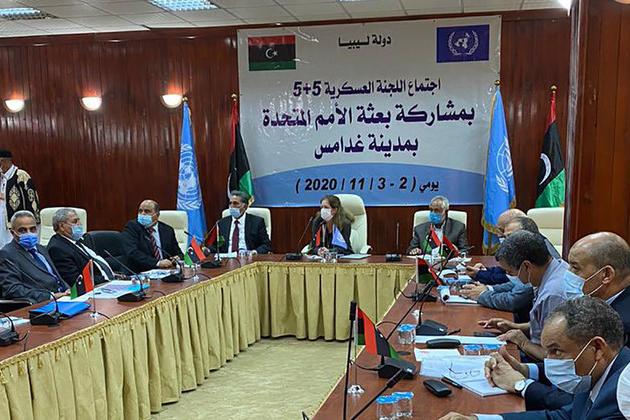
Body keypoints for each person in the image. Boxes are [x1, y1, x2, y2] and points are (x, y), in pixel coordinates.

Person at [480, 232, 630, 411]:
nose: (567, 274)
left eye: (575, 268)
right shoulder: (604, 303)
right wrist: (524, 369)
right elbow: (573, 363)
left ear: (606, 274)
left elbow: (578, 402)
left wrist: (521, 384)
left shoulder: (623, 324)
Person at [439, 297, 630, 420]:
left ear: (597, 348)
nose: (549, 360)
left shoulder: (621, 398)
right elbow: (565, 416)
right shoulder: (595, 369)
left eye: (556, 351)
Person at [478, 230, 574, 361]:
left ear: (526, 266)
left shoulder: (553, 294)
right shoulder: (556, 267)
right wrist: (514, 327)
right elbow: (543, 325)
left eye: (510, 272)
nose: (510, 276)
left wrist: (523, 343)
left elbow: (556, 358)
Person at [0, 211, 68, 303]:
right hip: (42, 303)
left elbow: (55, 277)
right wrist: (50, 296)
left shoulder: (41, 248)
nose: (29, 233)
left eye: (32, 229)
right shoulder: (7, 254)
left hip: (64, 297)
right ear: (12, 232)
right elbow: (13, 289)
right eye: (22, 230)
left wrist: (68, 290)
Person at [47, 208, 115, 287]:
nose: (79, 224)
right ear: (61, 226)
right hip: (94, 288)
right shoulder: (57, 249)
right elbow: (76, 281)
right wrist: (106, 279)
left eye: (79, 221)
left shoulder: (77, 240)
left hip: (107, 281)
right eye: (75, 221)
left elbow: (95, 265)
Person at [466, 209, 526, 285]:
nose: (499, 234)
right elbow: (505, 270)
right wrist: (485, 270)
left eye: (502, 230)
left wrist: (479, 274)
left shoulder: (527, 246)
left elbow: (510, 279)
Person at [121, 200, 183, 273]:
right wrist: (158, 263)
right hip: (139, 272)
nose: (143, 214)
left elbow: (179, 253)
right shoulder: (132, 227)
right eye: (140, 211)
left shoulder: (167, 230)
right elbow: (132, 252)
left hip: (165, 272)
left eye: (147, 211)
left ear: (157, 215)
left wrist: (177, 258)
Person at [0, 150, 40, 249]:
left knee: (17, 247)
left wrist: (32, 220)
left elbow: (32, 198)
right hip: (2, 220)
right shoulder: (1, 176)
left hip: (17, 221)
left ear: (3, 161)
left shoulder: (21, 175)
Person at [211, 190, 271, 255]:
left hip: (248, 258)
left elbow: (266, 245)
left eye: (235, 203)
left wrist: (255, 252)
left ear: (245, 207)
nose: (232, 206)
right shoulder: (222, 223)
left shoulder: (256, 222)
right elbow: (216, 246)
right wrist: (207, 250)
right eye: (230, 203)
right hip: (227, 258)